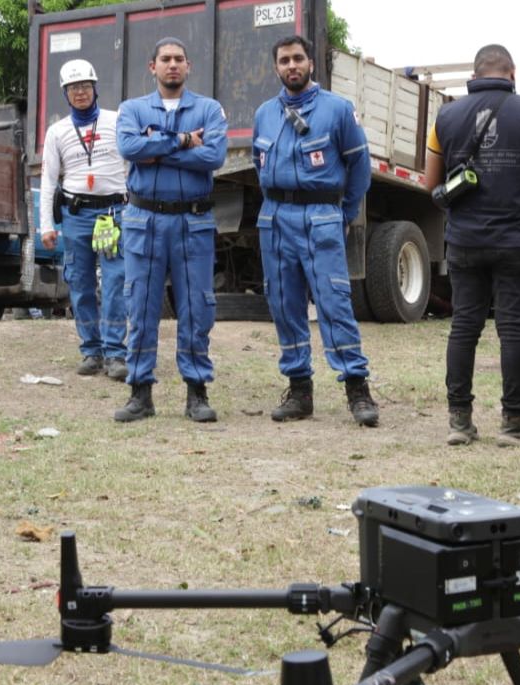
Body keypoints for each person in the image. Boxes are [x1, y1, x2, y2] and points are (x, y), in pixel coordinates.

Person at [424, 44, 520, 447]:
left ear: (475, 72)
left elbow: (430, 184)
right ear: (512, 72)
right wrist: (519, 185)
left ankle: (460, 421)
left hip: (465, 239)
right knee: (513, 329)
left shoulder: (445, 117)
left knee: (464, 326)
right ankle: (513, 422)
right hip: (517, 239)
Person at [251, 34, 379, 427]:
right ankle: (300, 391)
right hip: (274, 218)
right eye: (284, 60)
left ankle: (358, 391)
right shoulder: (264, 114)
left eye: (298, 59)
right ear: (276, 67)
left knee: (334, 304)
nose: (292, 66)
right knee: (284, 305)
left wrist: (339, 214)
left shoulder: (337, 110)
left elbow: (359, 170)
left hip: (321, 216)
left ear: (311, 63)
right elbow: (260, 166)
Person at [114, 38, 228, 423]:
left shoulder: (209, 109)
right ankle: (139, 393)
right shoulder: (132, 109)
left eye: (179, 59)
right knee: (141, 306)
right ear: (153, 67)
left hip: (192, 221)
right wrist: (181, 140)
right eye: (165, 59)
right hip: (144, 221)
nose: (172, 65)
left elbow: (213, 156)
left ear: (189, 65)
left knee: (197, 307)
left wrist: (156, 148)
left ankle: (197, 393)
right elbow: (130, 147)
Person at [39, 59, 128, 381]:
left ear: (95, 88)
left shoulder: (117, 121)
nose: (80, 92)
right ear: (65, 93)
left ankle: (116, 353)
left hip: (114, 214)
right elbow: (49, 180)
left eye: (85, 86)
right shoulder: (57, 131)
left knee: (117, 282)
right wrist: (46, 226)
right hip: (76, 216)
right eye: (74, 88)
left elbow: (134, 162)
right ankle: (92, 351)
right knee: (80, 283)